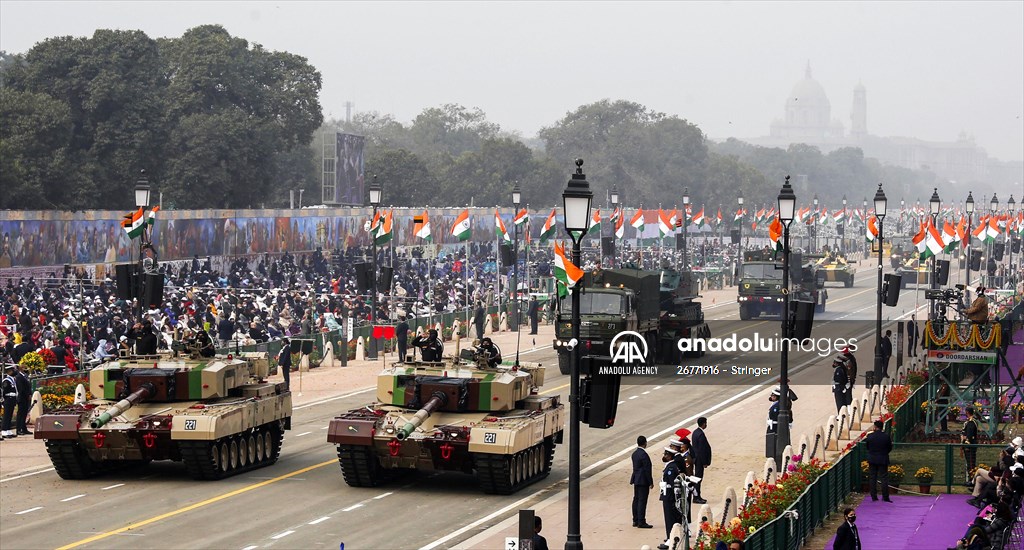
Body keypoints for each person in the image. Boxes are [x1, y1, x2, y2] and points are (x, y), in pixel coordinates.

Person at [658, 446, 683, 548]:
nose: (664, 456)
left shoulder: (671, 468)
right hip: (667, 496)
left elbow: (673, 484)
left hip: (669, 497)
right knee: (669, 518)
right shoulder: (670, 466)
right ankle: (670, 537)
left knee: (670, 518)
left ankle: (670, 539)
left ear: (669, 456)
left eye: (665, 455)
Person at [865, 420, 893, 502]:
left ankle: (874, 496)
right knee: (884, 478)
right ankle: (885, 497)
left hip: (872, 459)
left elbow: (868, 447)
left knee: (873, 477)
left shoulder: (870, 436)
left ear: (875, 427)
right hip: (883, 458)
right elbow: (889, 447)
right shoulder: (886, 436)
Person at [630, 435, 654, 529]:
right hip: (643, 480)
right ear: (645, 443)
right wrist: (650, 482)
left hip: (636, 479)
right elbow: (647, 469)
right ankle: (641, 521)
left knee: (636, 499)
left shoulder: (635, 453)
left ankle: (635, 520)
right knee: (642, 501)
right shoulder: (644, 455)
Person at [690, 417, 711, 505]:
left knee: (697, 478)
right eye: (705, 423)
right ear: (703, 423)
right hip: (699, 460)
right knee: (698, 478)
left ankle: (697, 495)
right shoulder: (700, 434)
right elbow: (702, 449)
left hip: (696, 458)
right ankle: (696, 496)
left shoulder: (695, 432)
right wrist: (705, 462)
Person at [962, 407, 979, 484]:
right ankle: (970, 479)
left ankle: (972, 480)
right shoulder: (969, 421)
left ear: (967, 412)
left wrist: (966, 443)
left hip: (970, 445)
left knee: (971, 464)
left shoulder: (971, 422)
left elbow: (969, 434)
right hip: (968, 445)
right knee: (969, 463)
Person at [14, 364, 32, 435]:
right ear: (20, 369)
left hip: (26, 397)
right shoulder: (19, 377)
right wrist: (27, 395)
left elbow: (28, 386)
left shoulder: (25, 376)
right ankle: (19, 429)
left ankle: (24, 428)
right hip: (22, 398)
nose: (26, 369)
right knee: (20, 414)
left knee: (24, 414)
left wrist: (30, 394)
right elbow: (21, 388)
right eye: (24, 368)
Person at [1, 365, 18, 439]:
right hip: (8, 399)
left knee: (10, 415)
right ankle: (4, 430)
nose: (13, 372)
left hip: (12, 399)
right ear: (9, 372)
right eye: (12, 370)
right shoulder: (6, 380)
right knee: (6, 415)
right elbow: (4, 391)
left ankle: (8, 430)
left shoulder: (12, 380)